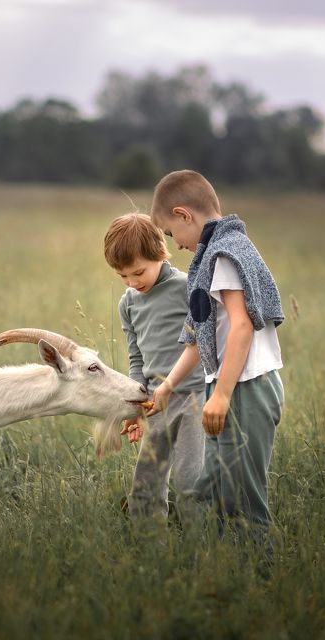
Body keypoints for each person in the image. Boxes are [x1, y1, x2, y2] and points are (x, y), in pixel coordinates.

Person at [146, 170, 285, 544]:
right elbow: (199, 333)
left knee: (244, 500)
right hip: (227, 386)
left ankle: (262, 579)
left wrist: (221, 395)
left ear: (184, 214)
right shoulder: (211, 256)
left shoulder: (225, 254)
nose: (174, 246)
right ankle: (228, 577)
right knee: (222, 496)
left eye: (172, 234)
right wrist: (168, 386)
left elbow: (241, 326)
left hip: (245, 387)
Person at [103, 212, 206, 519]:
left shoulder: (187, 288)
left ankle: (201, 551)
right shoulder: (129, 303)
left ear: (161, 252)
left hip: (194, 398)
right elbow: (136, 358)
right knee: (146, 484)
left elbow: (206, 341)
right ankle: (151, 550)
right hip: (154, 404)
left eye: (138, 272)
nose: (132, 283)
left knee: (190, 482)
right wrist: (136, 406)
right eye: (122, 276)